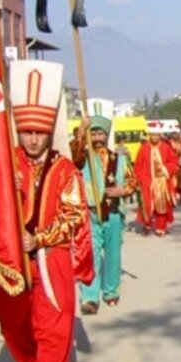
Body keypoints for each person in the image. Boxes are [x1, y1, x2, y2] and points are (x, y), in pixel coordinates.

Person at [0, 72, 93, 362]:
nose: (33, 139)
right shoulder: (6, 165)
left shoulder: (65, 169)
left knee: (54, 327)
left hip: (51, 259)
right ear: (18, 131)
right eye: (27, 132)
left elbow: (75, 217)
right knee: (12, 320)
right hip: (10, 261)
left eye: (39, 132)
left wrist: (40, 238)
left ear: (48, 132)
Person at [72, 115, 137, 315]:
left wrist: (123, 190)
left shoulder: (119, 158)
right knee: (90, 254)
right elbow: (72, 152)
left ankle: (110, 292)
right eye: (94, 133)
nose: (98, 137)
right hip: (90, 213)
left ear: (107, 135)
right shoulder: (82, 158)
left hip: (114, 213)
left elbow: (134, 182)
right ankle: (90, 297)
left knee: (113, 254)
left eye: (101, 133)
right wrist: (82, 129)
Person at [134, 126, 179, 236]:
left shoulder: (165, 147)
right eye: (153, 135)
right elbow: (138, 165)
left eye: (157, 135)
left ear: (160, 136)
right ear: (150, 135)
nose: (155, 137)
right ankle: (147, 225)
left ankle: (161, 227)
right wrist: (138, 179)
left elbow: (174, 161)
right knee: (146, 204)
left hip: (161, 181)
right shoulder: (144, 148)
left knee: (161, 205)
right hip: (147, 180)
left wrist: (166, 169)